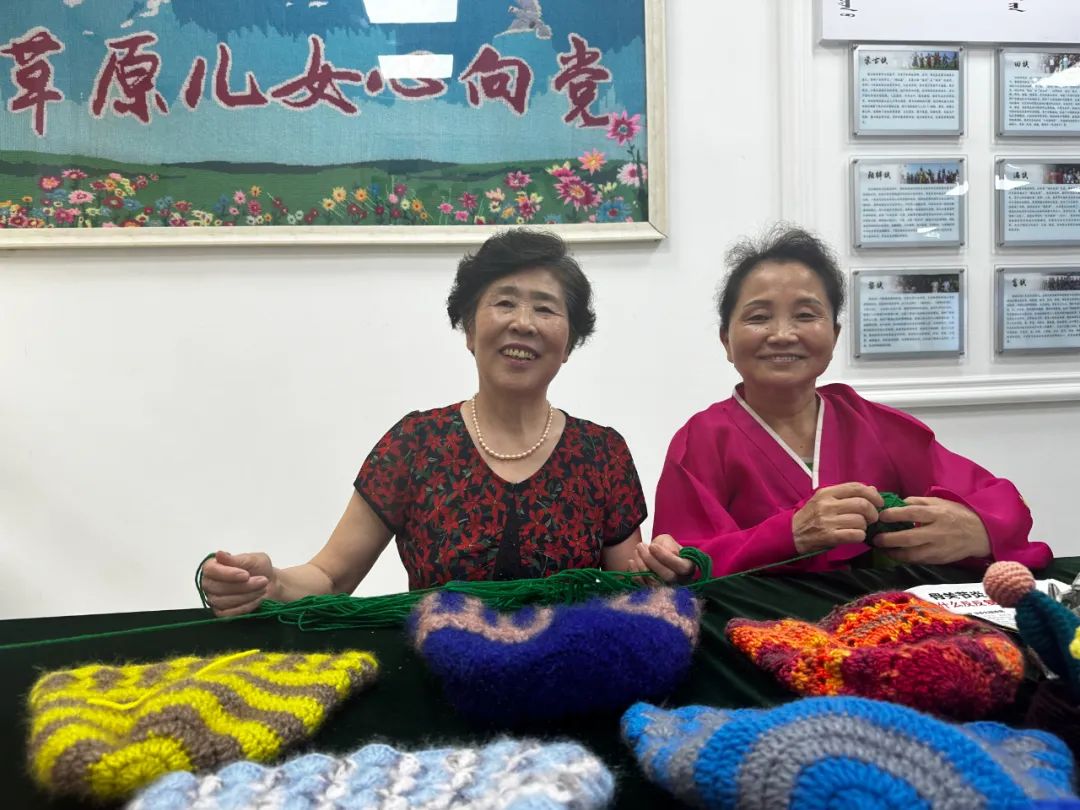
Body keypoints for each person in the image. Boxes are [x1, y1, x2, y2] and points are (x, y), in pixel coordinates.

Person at [199, 230, 648, 616]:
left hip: (572, 680)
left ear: (568, 344)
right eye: (504, 302)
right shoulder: (416, 443)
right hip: (437, 676)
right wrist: (272, 583)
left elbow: (633, 597)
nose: (523, 323)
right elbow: (330, 576)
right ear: (469, 330)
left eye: (545, 309)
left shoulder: (602, 453)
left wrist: (667, 568)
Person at [637, 225, 1053, 582]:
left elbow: (1002, 504)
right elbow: (682, 566)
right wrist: (789, 535)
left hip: (888, 629)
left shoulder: (874, 425)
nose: (782, 334)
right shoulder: (701, 441)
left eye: (805, 315)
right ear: (726, 340)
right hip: (759, 633)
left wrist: (978, 529)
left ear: (834, 336)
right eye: (759, 317)